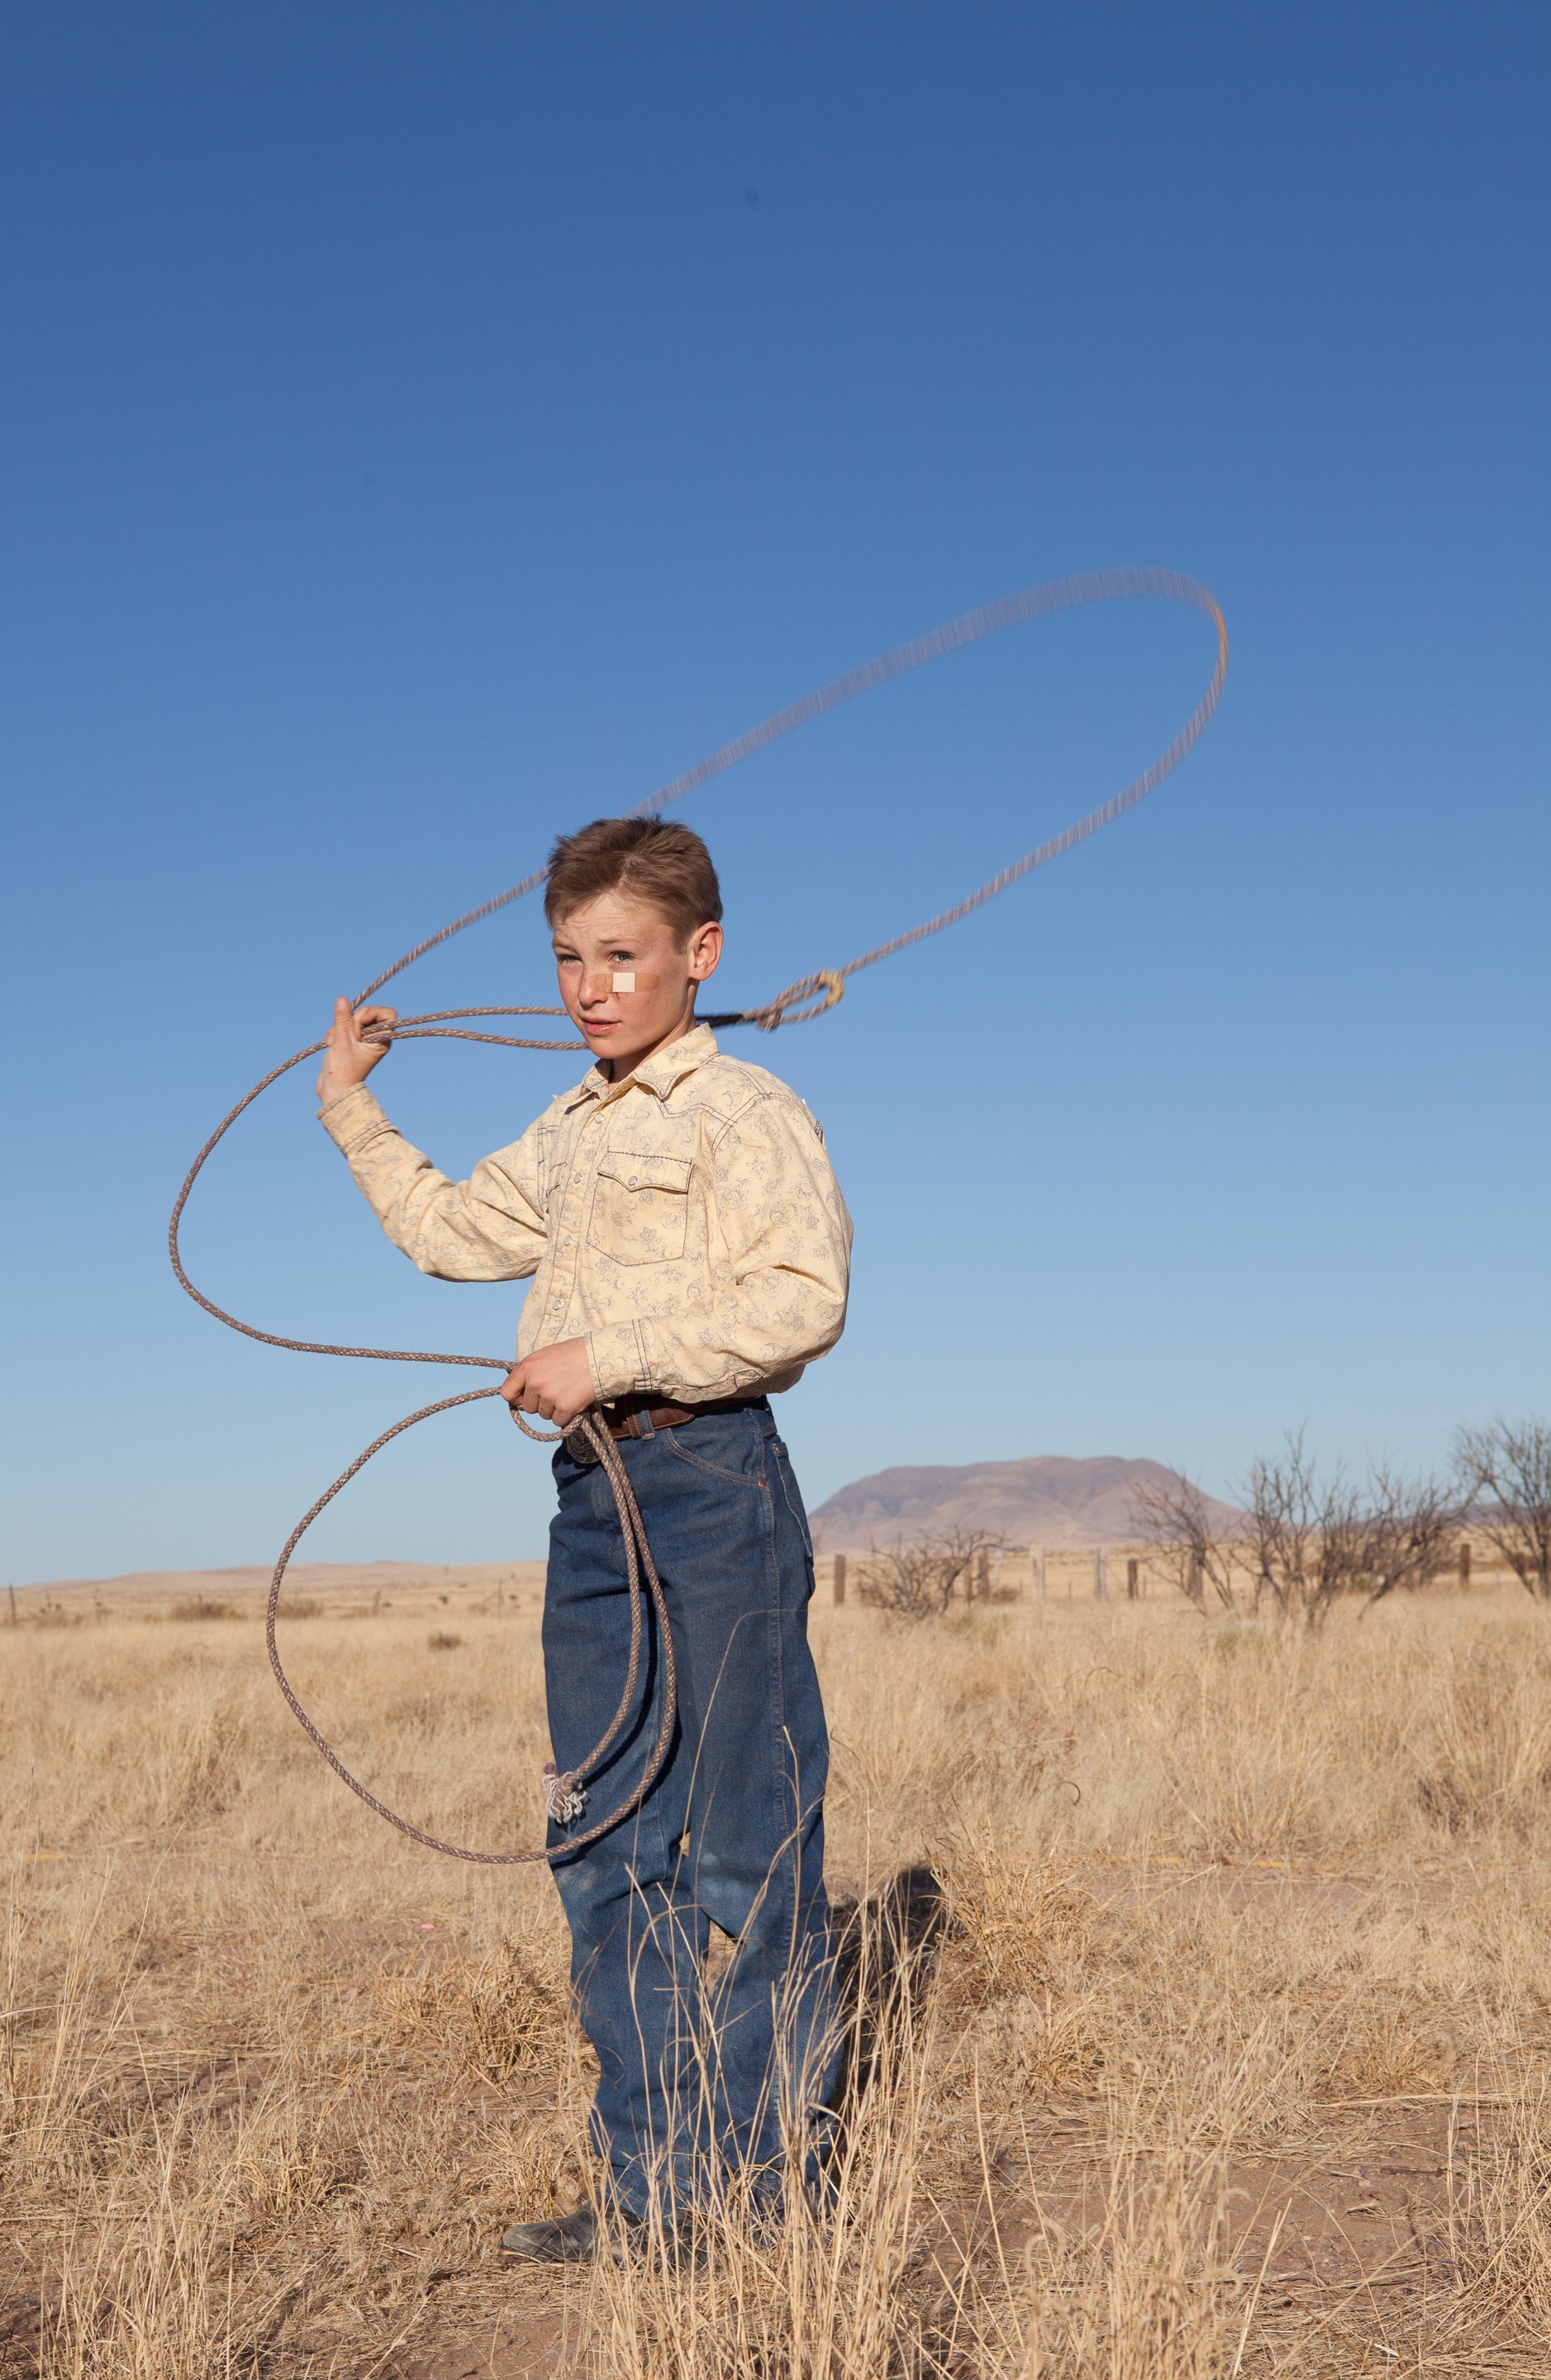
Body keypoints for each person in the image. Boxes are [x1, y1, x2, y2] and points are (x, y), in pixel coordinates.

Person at [314, 816, 852, 2262]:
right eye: (567, 958)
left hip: (714, 1486)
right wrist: (351, 1108)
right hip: (591, 1505)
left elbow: (802, 1299)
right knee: (603, 1840)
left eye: (622, 955)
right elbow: (449, 1234)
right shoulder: (564, 1131)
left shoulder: (745, 1113)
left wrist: (603, 1350)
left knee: (747, 1847)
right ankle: (650, 2196)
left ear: (702, 954)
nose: (589, 987)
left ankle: (766, 2200)